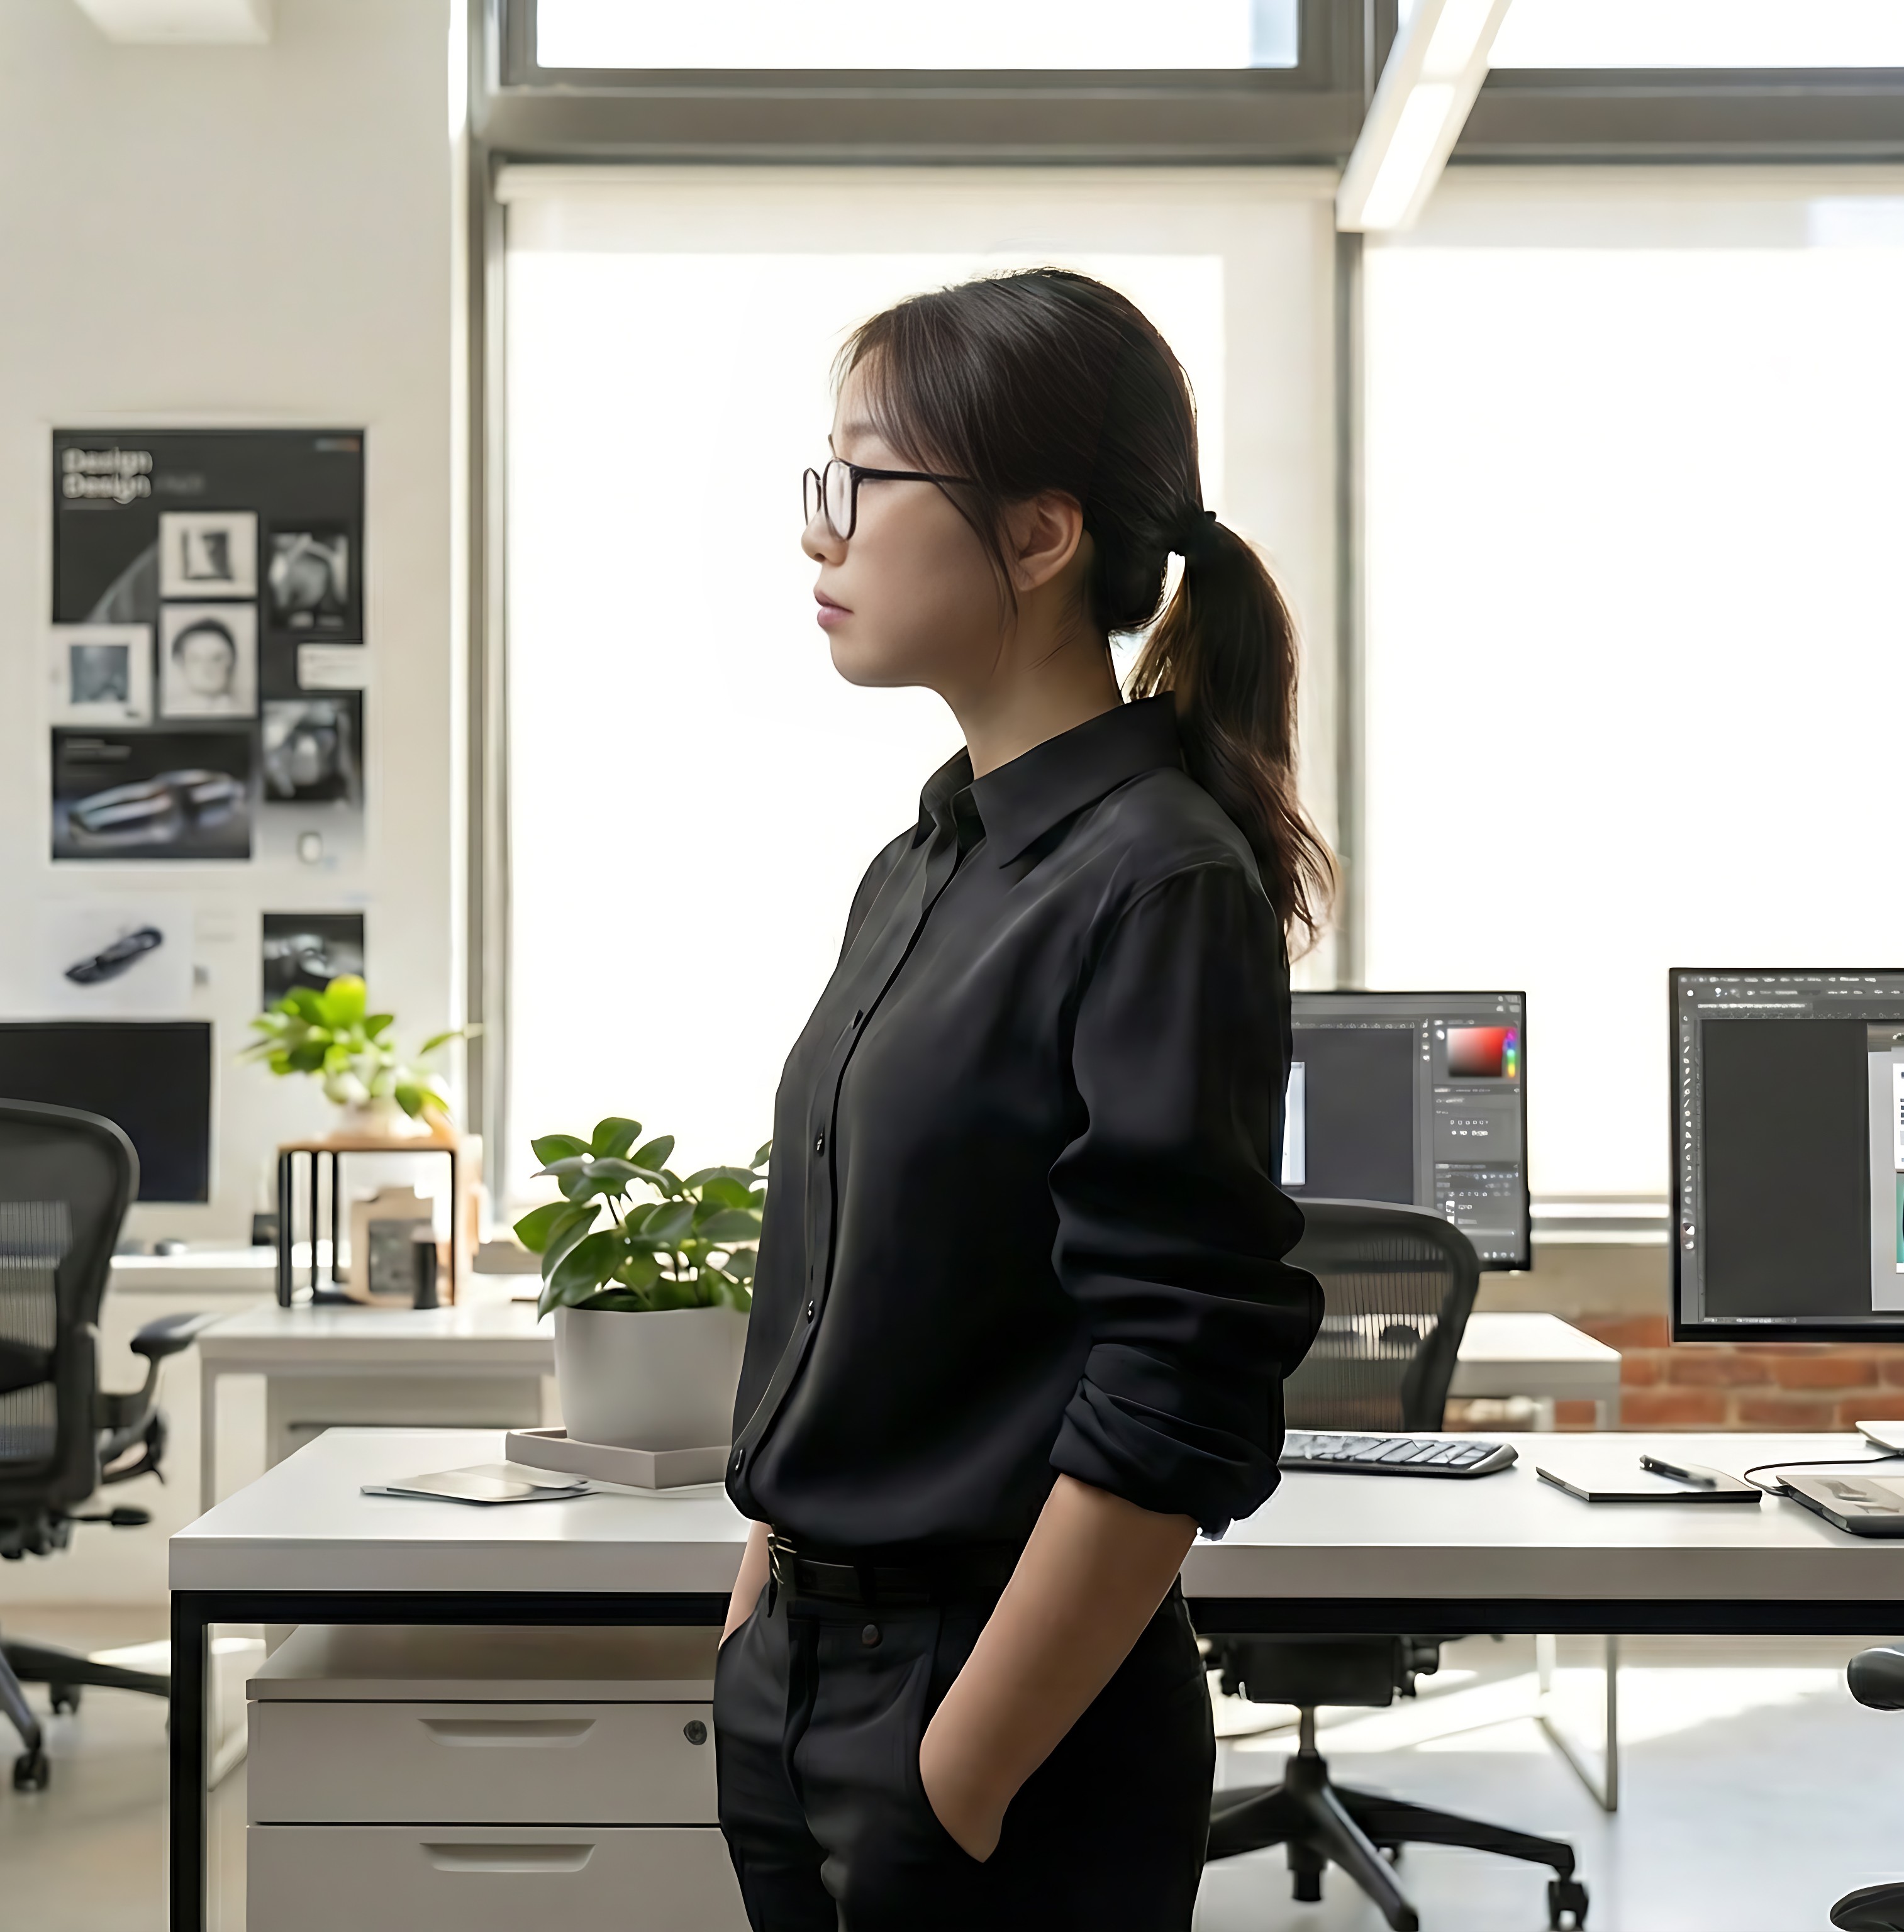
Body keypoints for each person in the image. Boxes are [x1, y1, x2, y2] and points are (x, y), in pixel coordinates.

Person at [711, 268, 1332, 1929]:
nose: (818, 536)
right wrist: (761, 1603)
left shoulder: (1158, 880)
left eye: (861, 481)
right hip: (803, 1684)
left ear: (1041, 537)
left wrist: (960, 1770)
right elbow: (851, 1284)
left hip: (996, 1719)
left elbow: (1180, 1380)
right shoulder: (926, 861)